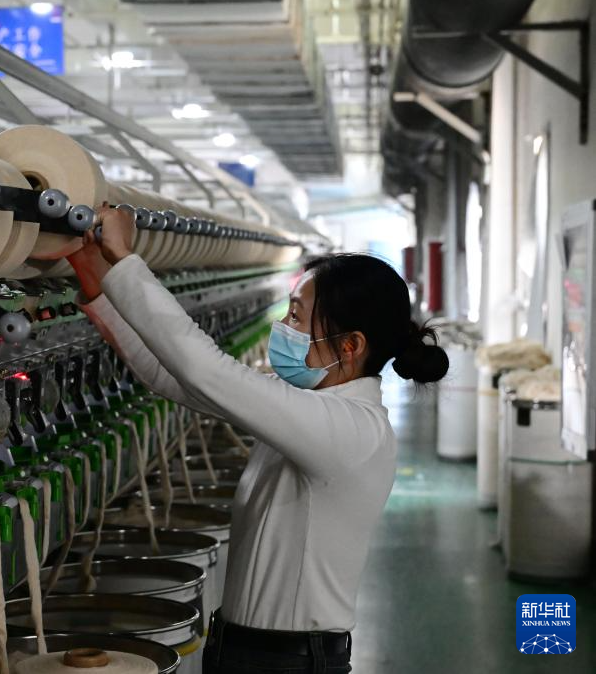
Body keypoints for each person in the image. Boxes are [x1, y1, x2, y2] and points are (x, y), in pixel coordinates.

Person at [66, 204, 449, 674]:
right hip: (249, 652)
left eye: (297, 316)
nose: (283, 327)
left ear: (350, 345)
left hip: (286, 662)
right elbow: (174, 377)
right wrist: (96, 278)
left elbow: (206, 369)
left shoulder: (351, 430)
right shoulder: (310, 409)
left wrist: (126, 261)